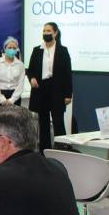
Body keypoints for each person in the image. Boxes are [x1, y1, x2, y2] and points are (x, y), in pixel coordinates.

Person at [27, 22, 72, 151]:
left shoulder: (62, 50)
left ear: (55, 33)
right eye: (44, 31)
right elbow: (30, 70)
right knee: (43, 121)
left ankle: (62, 148)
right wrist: (32, 78)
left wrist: (68, 94)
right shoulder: (37, 50)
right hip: (41, 89)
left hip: (57, 89)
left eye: (48, 31)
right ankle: (44, 150)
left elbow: (67, 73)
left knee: (58, 120)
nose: (46, 33)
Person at [0, 36, 26, 108]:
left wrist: (12, 100)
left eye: (14, 48)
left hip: (15, 96)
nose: (12, 50)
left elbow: (20, 84)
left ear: (17, 50)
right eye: (9, 48)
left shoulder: (20, 64)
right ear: (5, 49)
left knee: (14, 119)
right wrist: (1, 99)